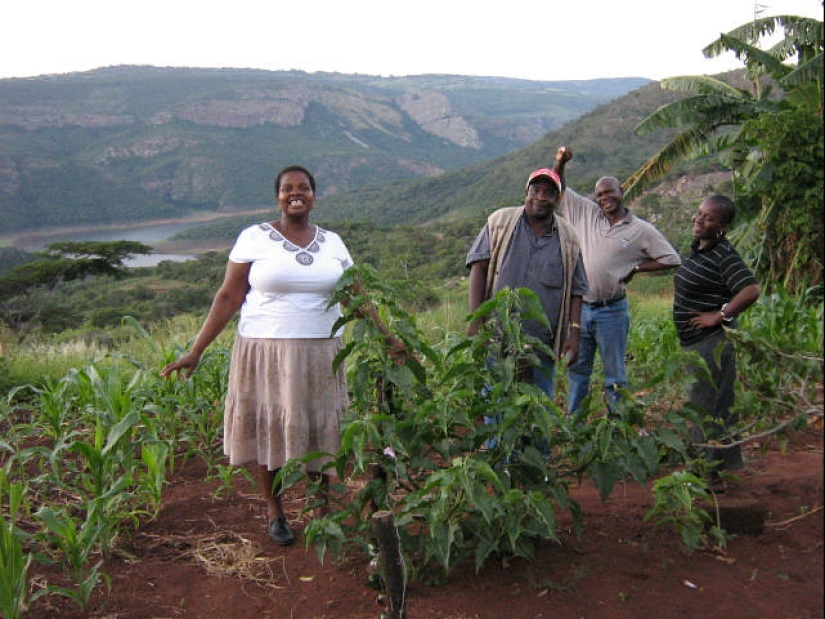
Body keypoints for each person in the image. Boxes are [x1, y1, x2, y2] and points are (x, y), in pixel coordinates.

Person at [161, 164, 399, 547]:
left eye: (303, 187)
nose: (295, 193)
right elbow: (229, 296)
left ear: (314, 196)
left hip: (321, 352)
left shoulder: (333, 243)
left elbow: (357, 298)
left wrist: (390, 340)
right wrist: (196, 350)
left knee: (320, 429)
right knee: (268, 427)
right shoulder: (254, 238)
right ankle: (275, 510)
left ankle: (321, 508)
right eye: (288, 188)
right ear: (278, 197)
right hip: (265, 351)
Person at [554, 146, 681, 415]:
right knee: (577, 370)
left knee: (615, 375)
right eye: (599, 194)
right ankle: (574, 425)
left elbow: (672, 259)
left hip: (611, 311)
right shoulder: (587, 214)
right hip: (580, 309)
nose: (604, 198)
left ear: (621, 191)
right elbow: (559, 187)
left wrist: (638, 267)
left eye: (609, 192)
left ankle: (617, 424)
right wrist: (560, 162)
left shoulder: (641, 230)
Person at [466, 166, 588, 416]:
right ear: (526, 193)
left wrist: (574, 333)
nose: (541, 197)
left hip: (542, 342)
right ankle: (497, 442)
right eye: (536, 190)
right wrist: (476, 321)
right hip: (498, 335)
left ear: (557, 199)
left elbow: (577, 290)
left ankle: (537, 443)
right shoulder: (500, 222)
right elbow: (479, 268)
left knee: (540, 406)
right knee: (496, 402)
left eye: (548, 193)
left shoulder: (569, 238)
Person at [673, 194, 760, 481]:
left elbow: (751, 290)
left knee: (706, 406)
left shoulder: (724, 254)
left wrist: (719, 315)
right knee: (715, 403)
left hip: (710, 342)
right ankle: (719, 468)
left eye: (708, 218)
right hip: (696, 342)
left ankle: (708, 473)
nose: (699, 220)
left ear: (722, 226)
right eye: (699, 213)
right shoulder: (700, 249)